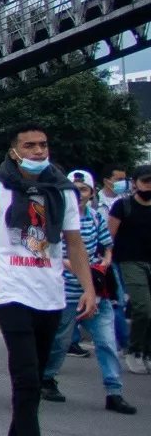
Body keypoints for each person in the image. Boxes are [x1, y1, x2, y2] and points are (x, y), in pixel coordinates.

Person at [0, 124, 97, 436]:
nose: (38, 151)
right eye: (29, 145)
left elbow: (74, 244)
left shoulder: (63, 191)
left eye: (43, 144)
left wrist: (89, 288)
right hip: (11, 293)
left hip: (51, 295)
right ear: (14, 151)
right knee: (24, 377)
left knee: (36, 378)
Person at [47, 174, 134, 413]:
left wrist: (103, 264)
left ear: (91, 193)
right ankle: (47, 378)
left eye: (84, 190)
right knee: (59, 342)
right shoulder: (54, 220)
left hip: (95, 291)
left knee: (106, 341)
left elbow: (107, 246)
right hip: (65, 292)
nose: (79, 195)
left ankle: (114, 391)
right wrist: (73, 265)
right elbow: (47, 252)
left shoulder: (95, 217)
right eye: (74, 190)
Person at [110, 163, 151, 376]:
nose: (149, 186)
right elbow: (110, 236)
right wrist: (105, 261)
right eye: (145, 182)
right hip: (130, 262)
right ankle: (134, 350)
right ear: (134, 183)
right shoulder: (122, 206)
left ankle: (148, 352)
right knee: (143, 307)